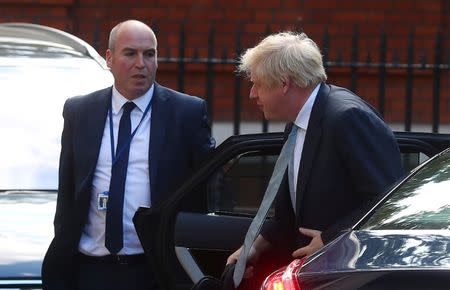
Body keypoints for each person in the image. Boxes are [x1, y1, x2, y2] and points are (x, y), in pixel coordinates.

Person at [42, 20, 215, 290]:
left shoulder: (186, 113)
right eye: (130, 53)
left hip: (154, 271)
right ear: (109, 58)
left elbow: (208, 192)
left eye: (149, 54)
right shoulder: (80, 111)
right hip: (90, 270)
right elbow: (68, 192)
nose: (141, 63)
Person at [226, 31, 404, 287]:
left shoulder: (347, 118)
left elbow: (390, 200)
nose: (252, 94)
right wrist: (253, 247)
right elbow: (288, 217)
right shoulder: (297, 124)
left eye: (257, 84)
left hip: (349, 275)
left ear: (284, 83)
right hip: (309, 274)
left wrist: (331, 239)